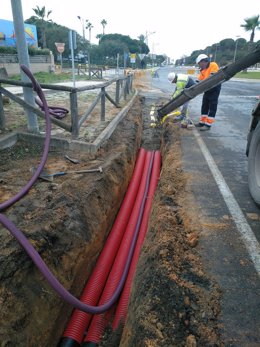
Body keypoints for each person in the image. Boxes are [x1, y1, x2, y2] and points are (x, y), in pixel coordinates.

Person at [195, 54, 221, 131]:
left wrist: (202, 84)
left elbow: (211, 78)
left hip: (214, 88)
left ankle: (208, 125)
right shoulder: (203, 70)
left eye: (199, 64)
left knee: (212, 106)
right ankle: (202, 122)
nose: (199, 66)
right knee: (204, 105)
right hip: (207, 89)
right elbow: (198, 81)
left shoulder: (213, 65)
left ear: (203, 61)